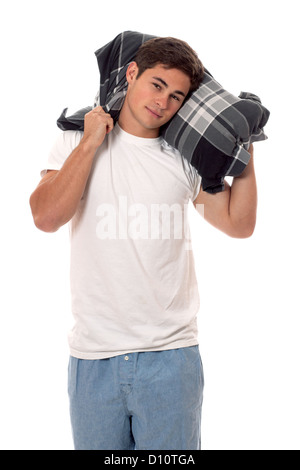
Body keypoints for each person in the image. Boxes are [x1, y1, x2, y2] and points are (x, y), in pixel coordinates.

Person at [29, 37, 257, 450]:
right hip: (93, 357)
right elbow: (46, 217)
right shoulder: (72, 140)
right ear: (132, 73)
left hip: (171, 358)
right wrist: (91, 140)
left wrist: (246, 146)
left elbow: (238, 225)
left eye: (176, 96)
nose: (163, 102)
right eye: (156, 85)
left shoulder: (182, 159)